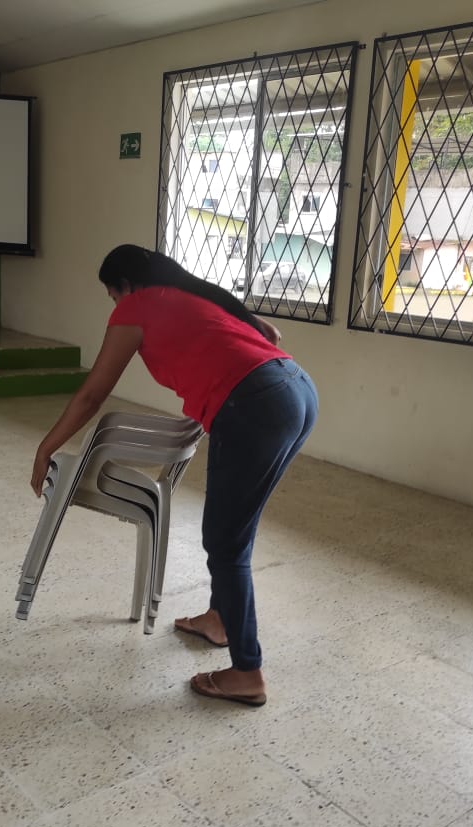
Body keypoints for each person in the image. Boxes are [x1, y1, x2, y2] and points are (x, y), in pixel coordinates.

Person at [31, 244, 318, 707]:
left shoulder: (136, 306)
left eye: (112, 295)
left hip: (255, 405)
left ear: (125, 286)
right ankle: (220, 620)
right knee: (235, 530)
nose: (115, 306)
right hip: (297, 390)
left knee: (225, 542)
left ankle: (247, 673)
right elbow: (272, 333)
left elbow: (92, 395)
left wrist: (46, 446)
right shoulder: (195, 295)